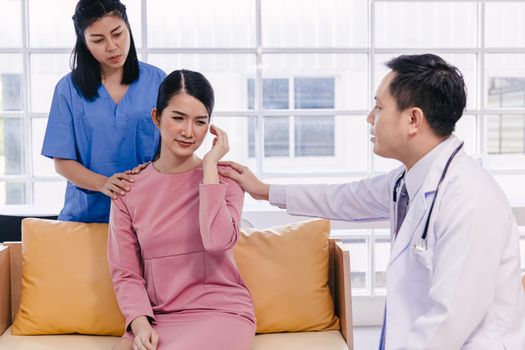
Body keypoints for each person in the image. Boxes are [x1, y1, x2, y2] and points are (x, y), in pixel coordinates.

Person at [219, 54, 525, 350]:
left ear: (413, 119)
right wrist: (265, 190)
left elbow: (447, 322)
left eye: (378, 107)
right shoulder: (408, 180)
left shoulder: (469, 200)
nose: (370, 118)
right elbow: (343, 198)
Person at [108, 69, 255, 350]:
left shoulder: (227, 180)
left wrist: (209, 168)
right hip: (157, 318)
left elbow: (217, 241)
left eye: (200, 122)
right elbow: (125, 273)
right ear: (156, 117)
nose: (189, 132)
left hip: (221, 313)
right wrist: (140, 326)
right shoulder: (128, 191)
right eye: (178, 118)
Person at [41, 0, 165, 223]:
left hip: (144, 216)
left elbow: (168, 150)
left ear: (128, 28)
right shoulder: (67, 89)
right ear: (84, 43)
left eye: (118, 34)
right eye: (98, 40)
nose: (112, 47)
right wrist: (103, 183)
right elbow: (62, 161)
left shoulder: (157, 81)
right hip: (85, 218)